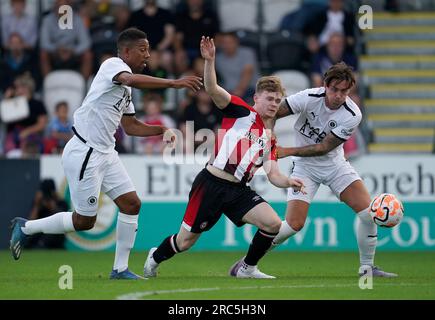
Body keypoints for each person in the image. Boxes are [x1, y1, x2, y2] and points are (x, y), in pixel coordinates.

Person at [9, 27, 202, 280]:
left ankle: (120, 269)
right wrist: (174, 82)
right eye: (142, 50)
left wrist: (161, 129)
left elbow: (130, 127)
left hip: (106, 152)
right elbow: (131, 79)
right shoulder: (113, 65)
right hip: (85, 151)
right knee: (84, 222)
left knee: (132, 204)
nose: (147, 55)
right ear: (126, 51)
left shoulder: (126, 89)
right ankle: (27, 226)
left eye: (148, 50)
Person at [143, 36, 305, 279]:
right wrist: (210, 61)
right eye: (269, 99)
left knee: (273, 224)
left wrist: (289, 182)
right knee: (185, 241)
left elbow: (273, 174)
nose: (273, 104)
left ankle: (247, 268)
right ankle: (155, 257)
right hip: (211, 184)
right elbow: (212, 89)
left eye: (277, 101)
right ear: (256, 98)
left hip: (239, 190)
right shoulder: (241, 111)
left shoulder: (269, 138)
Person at [272, 62, 397, 277]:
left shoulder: (352, 114)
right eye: (335, 89)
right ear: (325, 86)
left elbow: (323, 148)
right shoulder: (309, 97)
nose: (339, 95)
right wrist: (268, 135)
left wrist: (285, 150)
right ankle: (249, 261)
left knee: (369, 214)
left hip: (335, 166)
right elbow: (273, 112)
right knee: (293, 225)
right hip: (305, 168)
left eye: (344, 91)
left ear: (350, 91)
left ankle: (367, 268)